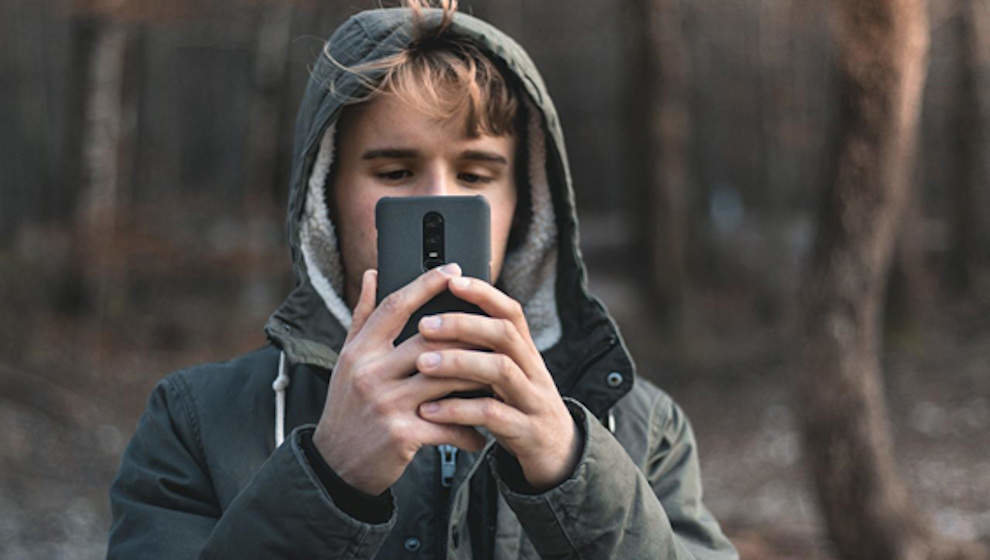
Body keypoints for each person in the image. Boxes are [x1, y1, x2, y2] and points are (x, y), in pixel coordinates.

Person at [107, 2, 738, 558]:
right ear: (325, 201)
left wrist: (571, 471)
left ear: (527, 208)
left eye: (475, 174)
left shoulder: (637, 426)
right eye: (395, 171)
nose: (436, 202)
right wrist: (327, 479)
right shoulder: (198, 422)